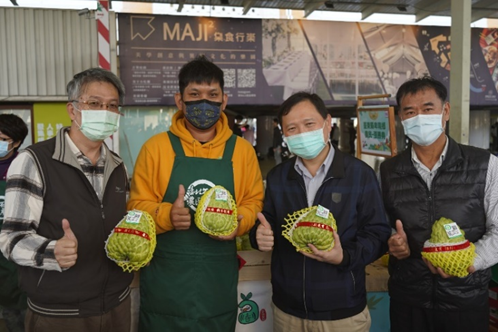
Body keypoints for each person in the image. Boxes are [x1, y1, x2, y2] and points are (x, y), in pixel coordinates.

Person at [127, 55, 264, 331]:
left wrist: (237, 222)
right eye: (195, 94)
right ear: (180, 101)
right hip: (166, 286)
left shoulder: (242, 151)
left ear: (224, 100)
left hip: (217, 284)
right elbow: (135, 207)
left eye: (212, 95)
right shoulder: (155, 148)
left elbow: (253, 202)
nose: (204, 102)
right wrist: (167, 215)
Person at [0, 68, 133, 332]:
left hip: (117, 304)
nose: (104, 111)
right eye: (94, 103)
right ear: (72, 110)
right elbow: (10, 239)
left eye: (112, 105)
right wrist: (52, 252)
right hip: (59, 313)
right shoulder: (34, 161)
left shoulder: (118, 166)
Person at [249, 92, 391, 332]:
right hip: (288, 311)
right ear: (284, 135)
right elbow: (267, 222)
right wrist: (257, 235)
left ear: (327, 123)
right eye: (292, 128)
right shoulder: (278, 177)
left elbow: (378, 233)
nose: (302, 133)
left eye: (309, 124)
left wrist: (343, 256)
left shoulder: (359, 174)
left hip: (342, 313)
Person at [380, 76, 498, 332]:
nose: (419, 117)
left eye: (427, 109)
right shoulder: (388, 171)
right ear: (401, 118)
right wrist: (391, 241)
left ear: (445, 111)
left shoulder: (485, 164)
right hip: (408, 300)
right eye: (410, 112)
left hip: (465, 300)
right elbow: (380, 224)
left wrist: (467, 262)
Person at [0, 114, 28, 332]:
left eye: (2, 139)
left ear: (16, 142)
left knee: (16, 315)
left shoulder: (26, 168)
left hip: (15, 256)